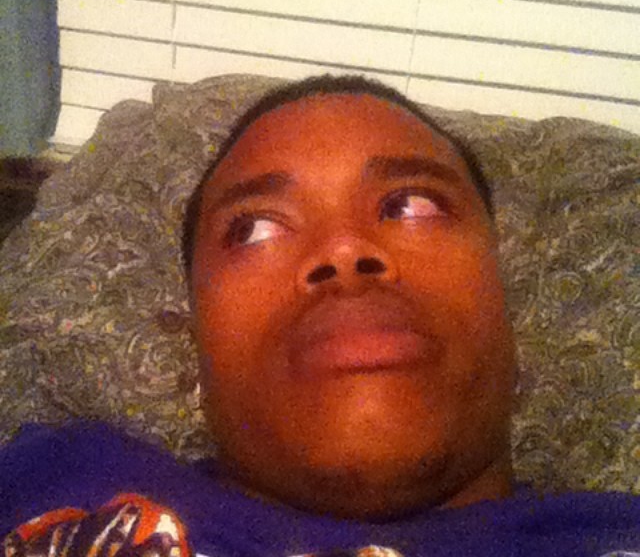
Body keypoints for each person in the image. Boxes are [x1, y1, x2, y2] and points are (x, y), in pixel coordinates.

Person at [1, 76, 638, 556]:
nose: (343, 250)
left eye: (411, 205)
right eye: (253, 228)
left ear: (501, 289)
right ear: (196, 332)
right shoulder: (54, 476)